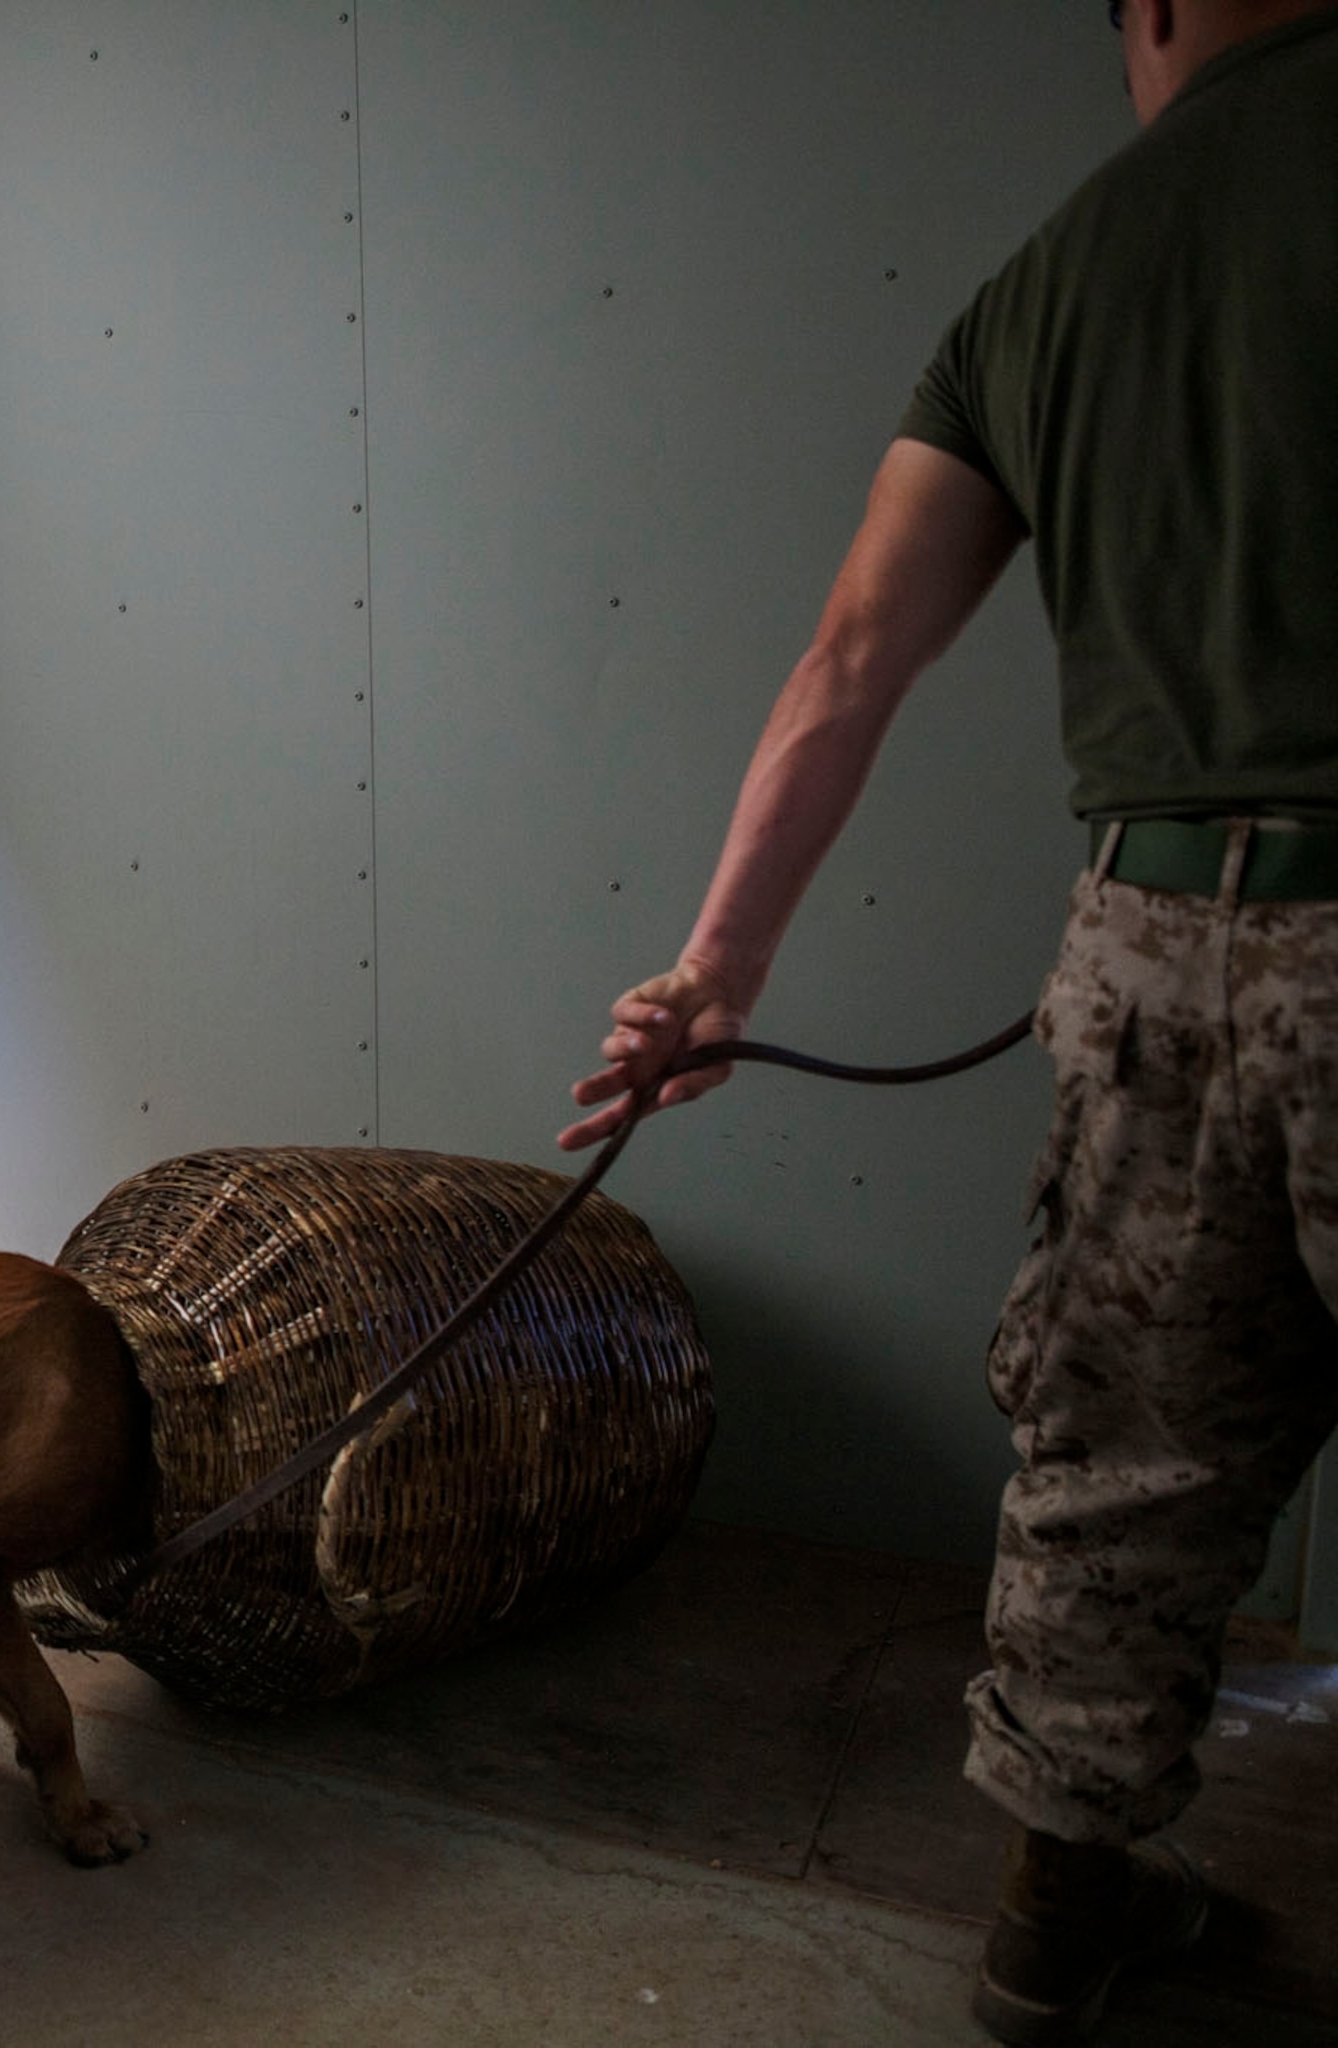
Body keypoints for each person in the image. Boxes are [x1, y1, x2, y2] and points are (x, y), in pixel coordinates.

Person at [562, 3, 1338, 2040]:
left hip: (1150, 942)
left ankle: (1054, 1919)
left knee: (1124, 1452)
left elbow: (849, 657)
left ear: (1153, 12)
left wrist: (713, 976)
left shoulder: (1051, 277)